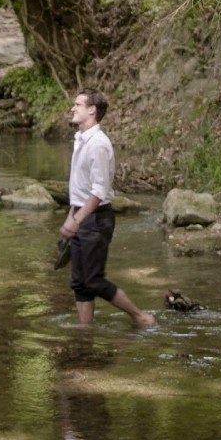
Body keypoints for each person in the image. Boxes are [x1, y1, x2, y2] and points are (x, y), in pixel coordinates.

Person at [60, 88, 156, 327]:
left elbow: (99, 191)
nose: (72, 108)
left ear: (92, 110)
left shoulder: (99, 145)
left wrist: (77, 219)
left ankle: (141, 318)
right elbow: (80, 188)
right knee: (79, 283)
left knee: (93, 280)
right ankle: (86, 331)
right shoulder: (80, 140)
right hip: (82, 216)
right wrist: (70, 216)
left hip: (96, 219)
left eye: (78, 105)